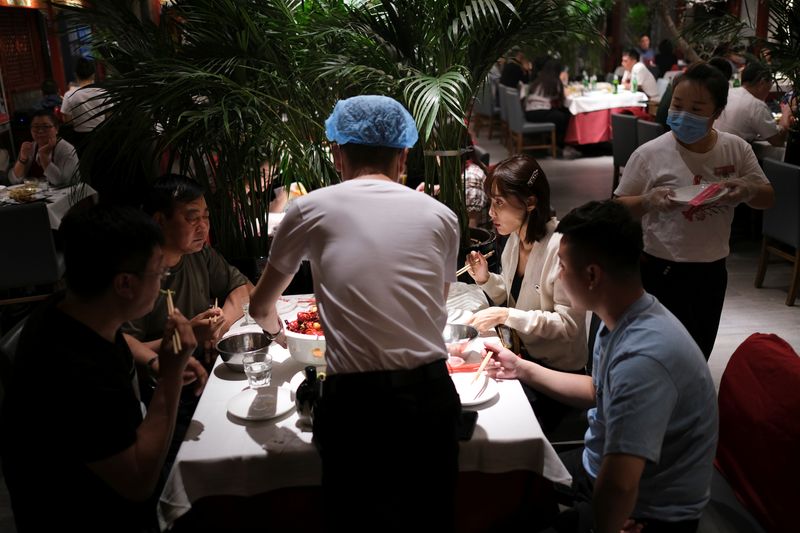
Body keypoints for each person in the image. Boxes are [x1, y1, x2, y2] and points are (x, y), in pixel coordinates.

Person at [249, 95, 460, 532]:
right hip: (432, 397)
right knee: (431, 520)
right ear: (404, 155)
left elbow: (260, 305)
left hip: (357, 405)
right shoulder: (442, 216)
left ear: (336, 152)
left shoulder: (308, 208)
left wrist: (278, 337)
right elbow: (434, 310)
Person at [484, 200, 718, 533]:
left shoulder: (644, 356)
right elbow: (598, 390)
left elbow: (621, 484)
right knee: (507, 481)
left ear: (592, 275)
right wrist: (520, 367)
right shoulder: (623, 318)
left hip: (648, 511)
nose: (559, 277)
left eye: (562, 267)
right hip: (598, 467)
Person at [0, 205, 197, 532]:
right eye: (158, 273)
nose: (164, 281)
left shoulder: (69, 309)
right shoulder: (71, 368)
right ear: (124, 284)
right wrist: (171, 375)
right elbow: (138, 483)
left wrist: (156, 361)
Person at [615, 62, 774, 359]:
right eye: (678, 105)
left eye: (697, 109)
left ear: (717, 112)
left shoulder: (736, 149)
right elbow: (616, 209)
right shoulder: (650, 154)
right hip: (659, 268)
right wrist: (649, 201)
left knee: (698, 353)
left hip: (711, 269)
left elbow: (767, 197)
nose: (684, 115)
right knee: (655, 355)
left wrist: (747, 190)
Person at [464, 155, 586, 431]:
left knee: (497, 421)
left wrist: (507, 315)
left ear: (530, 202)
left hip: (556, 375)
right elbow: (511, 296)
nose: (491, 213)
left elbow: (567, 326)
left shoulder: (560, 248)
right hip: (522, 356)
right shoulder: (515, 239)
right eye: (491, 202)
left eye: (499, 203)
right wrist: (485, 279)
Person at [124, 174, 252, 373]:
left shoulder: (199, 253)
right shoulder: (139, 273)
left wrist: (218, 328)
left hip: (206, 367)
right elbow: (122, 349)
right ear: (159, 221)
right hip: (164, 381)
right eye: (192, 218)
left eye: (206, 216)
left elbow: (243, 288)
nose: (203, 226)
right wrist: (186, 335)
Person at [715, 61, 793, 147]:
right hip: (730, 153)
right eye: (768, 89)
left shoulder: (729, 92)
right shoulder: (756, 105)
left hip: (714, 146)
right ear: (762, 83)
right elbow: (778, 141)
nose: (767, 94)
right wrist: (786, 114)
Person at [8, 109, 79, 187]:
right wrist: (22, 158)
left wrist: (43, 156)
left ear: (56, 129)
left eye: (46, 126)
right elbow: (14, 180)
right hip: (34, 195)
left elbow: (63, 182)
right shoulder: (30, 148)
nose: (40, 131)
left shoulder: (66, 149)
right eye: (36, 127)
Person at [522, 59, 578, 158]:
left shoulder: (538, 80)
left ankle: (553, 143)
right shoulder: (555, 82)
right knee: (564, 117)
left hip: (529, 113)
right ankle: (560, 145)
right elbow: (562, 99)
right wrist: (564, 82)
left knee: (560, 114)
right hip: (540, 112)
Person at [60, 57, 110, 155]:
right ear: (93, 75)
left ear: (76, 75)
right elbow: (109, 116)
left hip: (80, 138)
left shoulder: (69, 95)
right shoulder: (103, 92)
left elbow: (67, 120)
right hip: (102, 136)